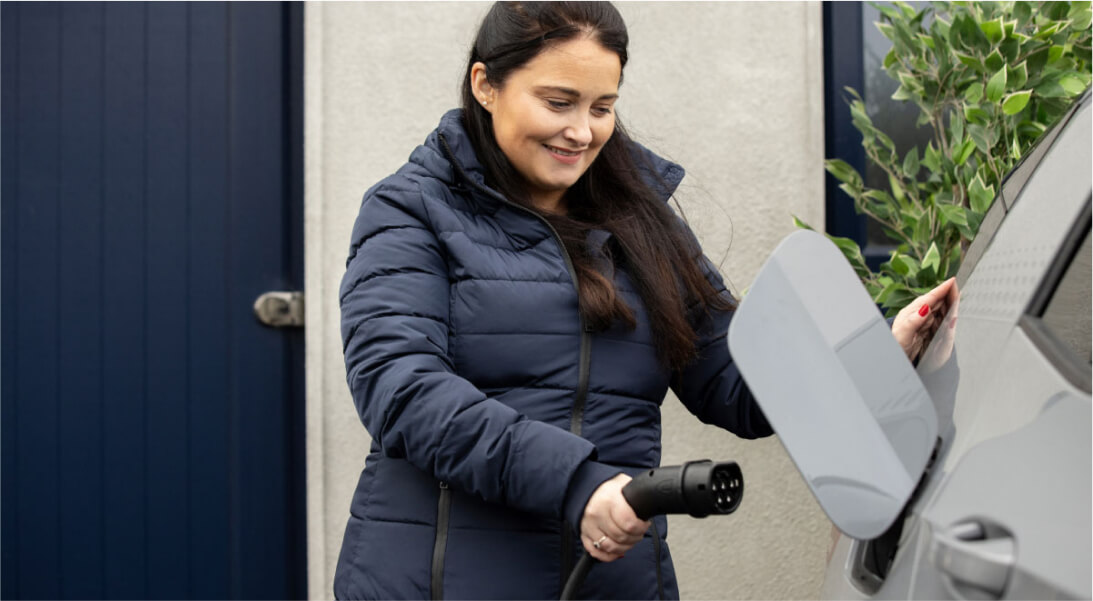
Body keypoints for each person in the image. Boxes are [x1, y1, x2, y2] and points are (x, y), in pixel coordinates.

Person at [334, 3, 957, 599]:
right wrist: (578, 483)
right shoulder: (410, 210)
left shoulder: (640, 217)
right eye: (558, 102)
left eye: (603, 107)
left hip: (613, 581)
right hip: (444, 583)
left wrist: (870, 353)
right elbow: (402, 390)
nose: (582, 131)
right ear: (485, 85)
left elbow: (733, 379)